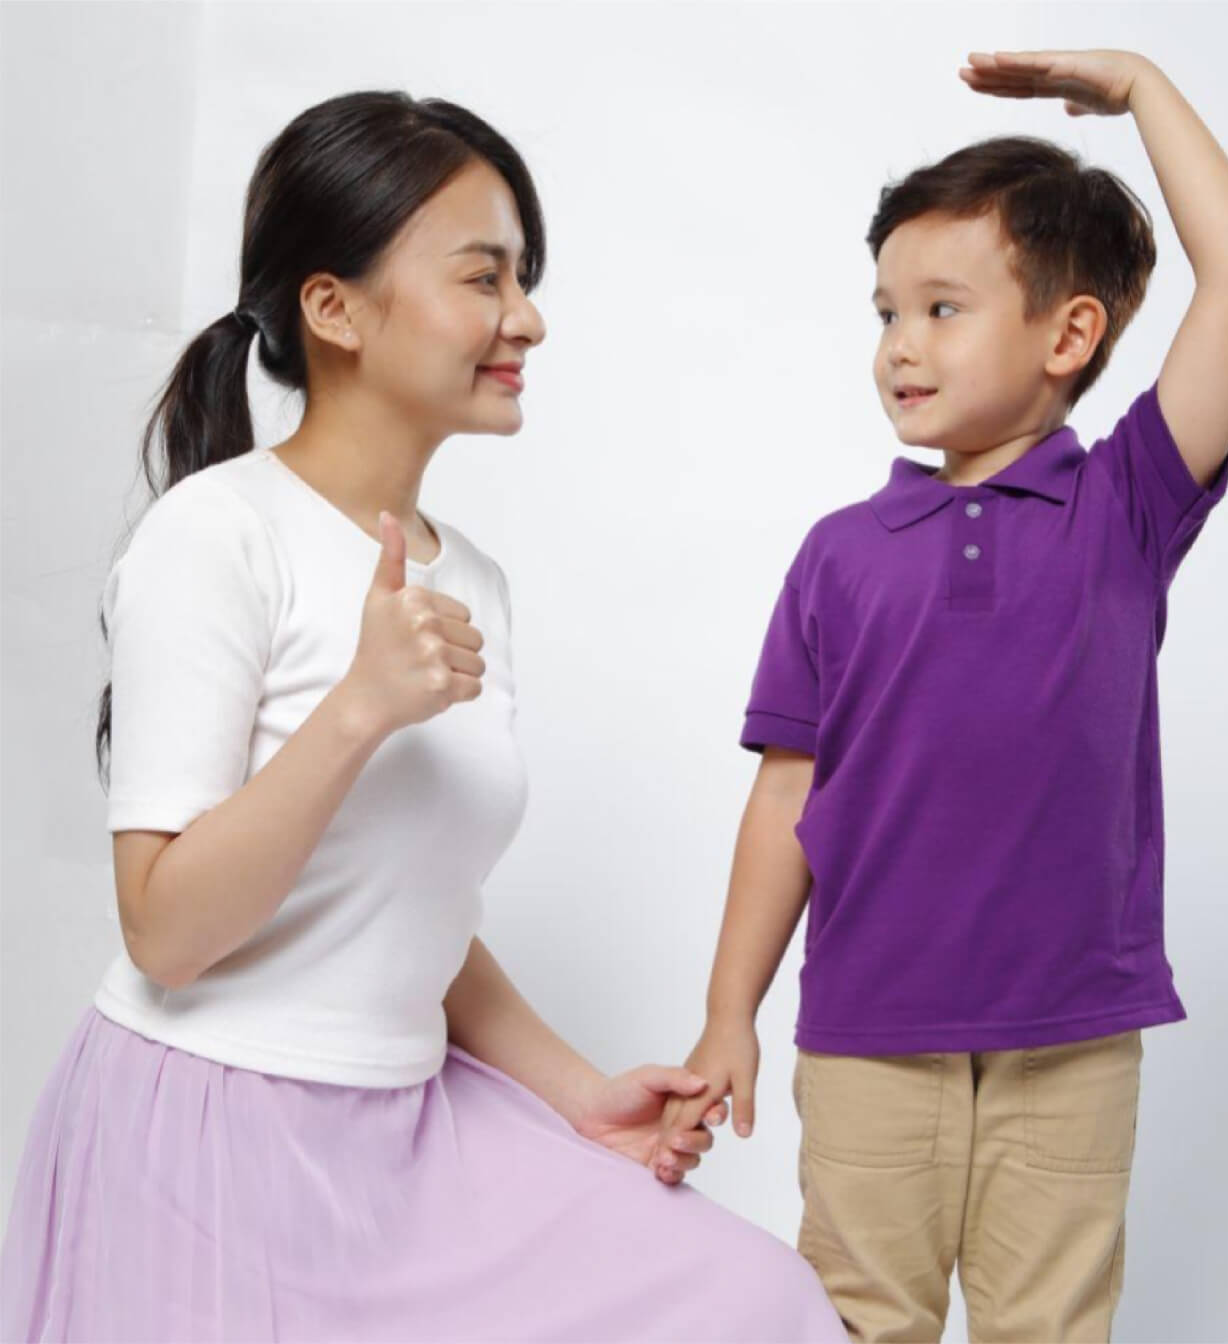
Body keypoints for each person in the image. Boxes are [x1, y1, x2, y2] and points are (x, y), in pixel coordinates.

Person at [0, 91, 847, 1344]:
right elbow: (166, 932)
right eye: (484, 276)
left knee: (759, 1303)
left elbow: (411, 910)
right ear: (334, 309)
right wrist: (358, 710)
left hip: (403, 1139)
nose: (527, 317)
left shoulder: (473, 581)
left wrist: (579, 1096)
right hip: (213, 1141)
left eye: (525, 277)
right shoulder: (215, 537)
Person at [659, 48, 1228, 1343]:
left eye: (943, 308)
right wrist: (729, 1014)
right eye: (887, 312)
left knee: (1051, 1326)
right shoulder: (839, 555)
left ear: (1070, 335)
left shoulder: (1125, 507)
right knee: (858, 1321)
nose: (900, 344)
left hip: (1072, 1040)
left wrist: (1142, 90)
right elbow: (785, 795)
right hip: (869, 1034)